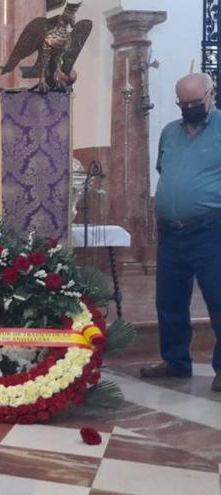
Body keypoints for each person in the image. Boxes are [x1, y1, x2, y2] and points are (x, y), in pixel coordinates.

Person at [141, 73, 221, 391]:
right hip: (171, 233)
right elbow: (167, 171)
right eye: (182, 103)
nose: (188, 108)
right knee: (169, 300)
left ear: (211, 95)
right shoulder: (169, 133)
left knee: (218, 299)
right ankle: (175, 361)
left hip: (211, 229)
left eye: (194, 102)